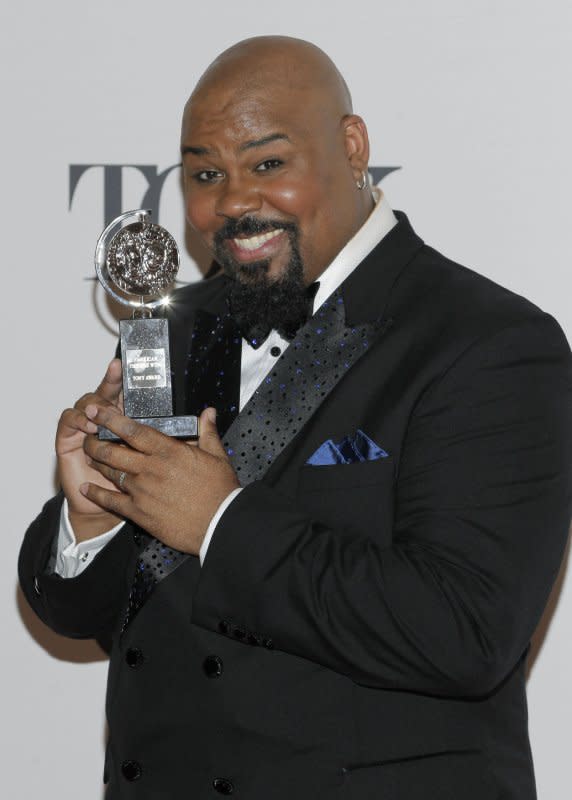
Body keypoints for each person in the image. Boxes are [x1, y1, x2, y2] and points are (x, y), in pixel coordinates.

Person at [19, 36, 572, 800]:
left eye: (267, 163)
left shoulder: (488, 341)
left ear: (351, 148)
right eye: (205, 174)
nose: (234, 201)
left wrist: (220, 522)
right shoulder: (175, 329)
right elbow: (88, 613)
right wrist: (93, 519)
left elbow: (465, 632)